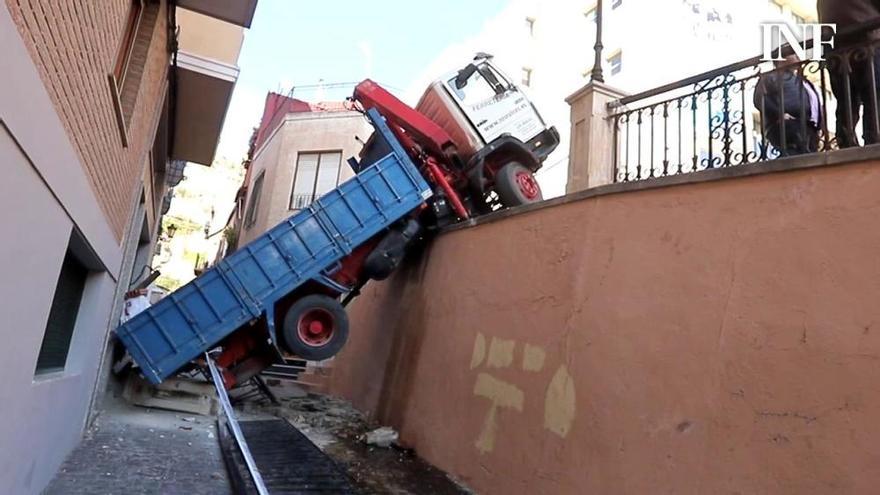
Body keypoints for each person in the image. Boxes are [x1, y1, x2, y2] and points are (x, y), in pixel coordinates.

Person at [818, 0, 880, 147]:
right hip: (866, 38)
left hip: (836, 47)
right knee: (874, 95)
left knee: (846, 99)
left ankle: (846, 140)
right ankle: (873, 140)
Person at [754, 55, 822, 157]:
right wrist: (780, 114)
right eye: (793, 54)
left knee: (810, 158)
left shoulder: (801, 80)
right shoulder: (771, 76)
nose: (798, 56)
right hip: (787, 125)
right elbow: (760, 99)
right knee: (795, 156)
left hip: (809, 126)